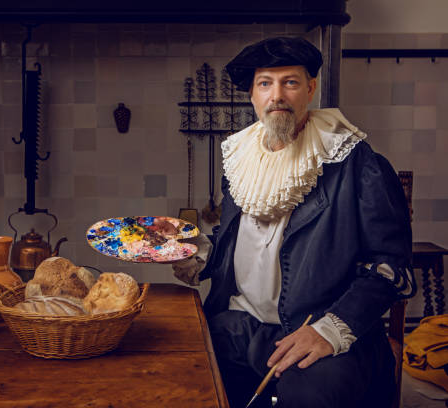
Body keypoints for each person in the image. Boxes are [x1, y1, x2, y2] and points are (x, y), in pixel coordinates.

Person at [172, 37, 415, 408]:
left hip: (316, 328)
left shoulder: (356, 161)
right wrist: (197, 254)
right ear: (252, 95)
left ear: (310, 90)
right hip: (239, 325)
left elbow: (392, 266)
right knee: (176, 375)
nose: (277, 96)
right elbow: (235, 237)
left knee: (308, 398)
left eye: (291, 82)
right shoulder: (240, 159)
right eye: (266, 83)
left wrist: (330, 330)